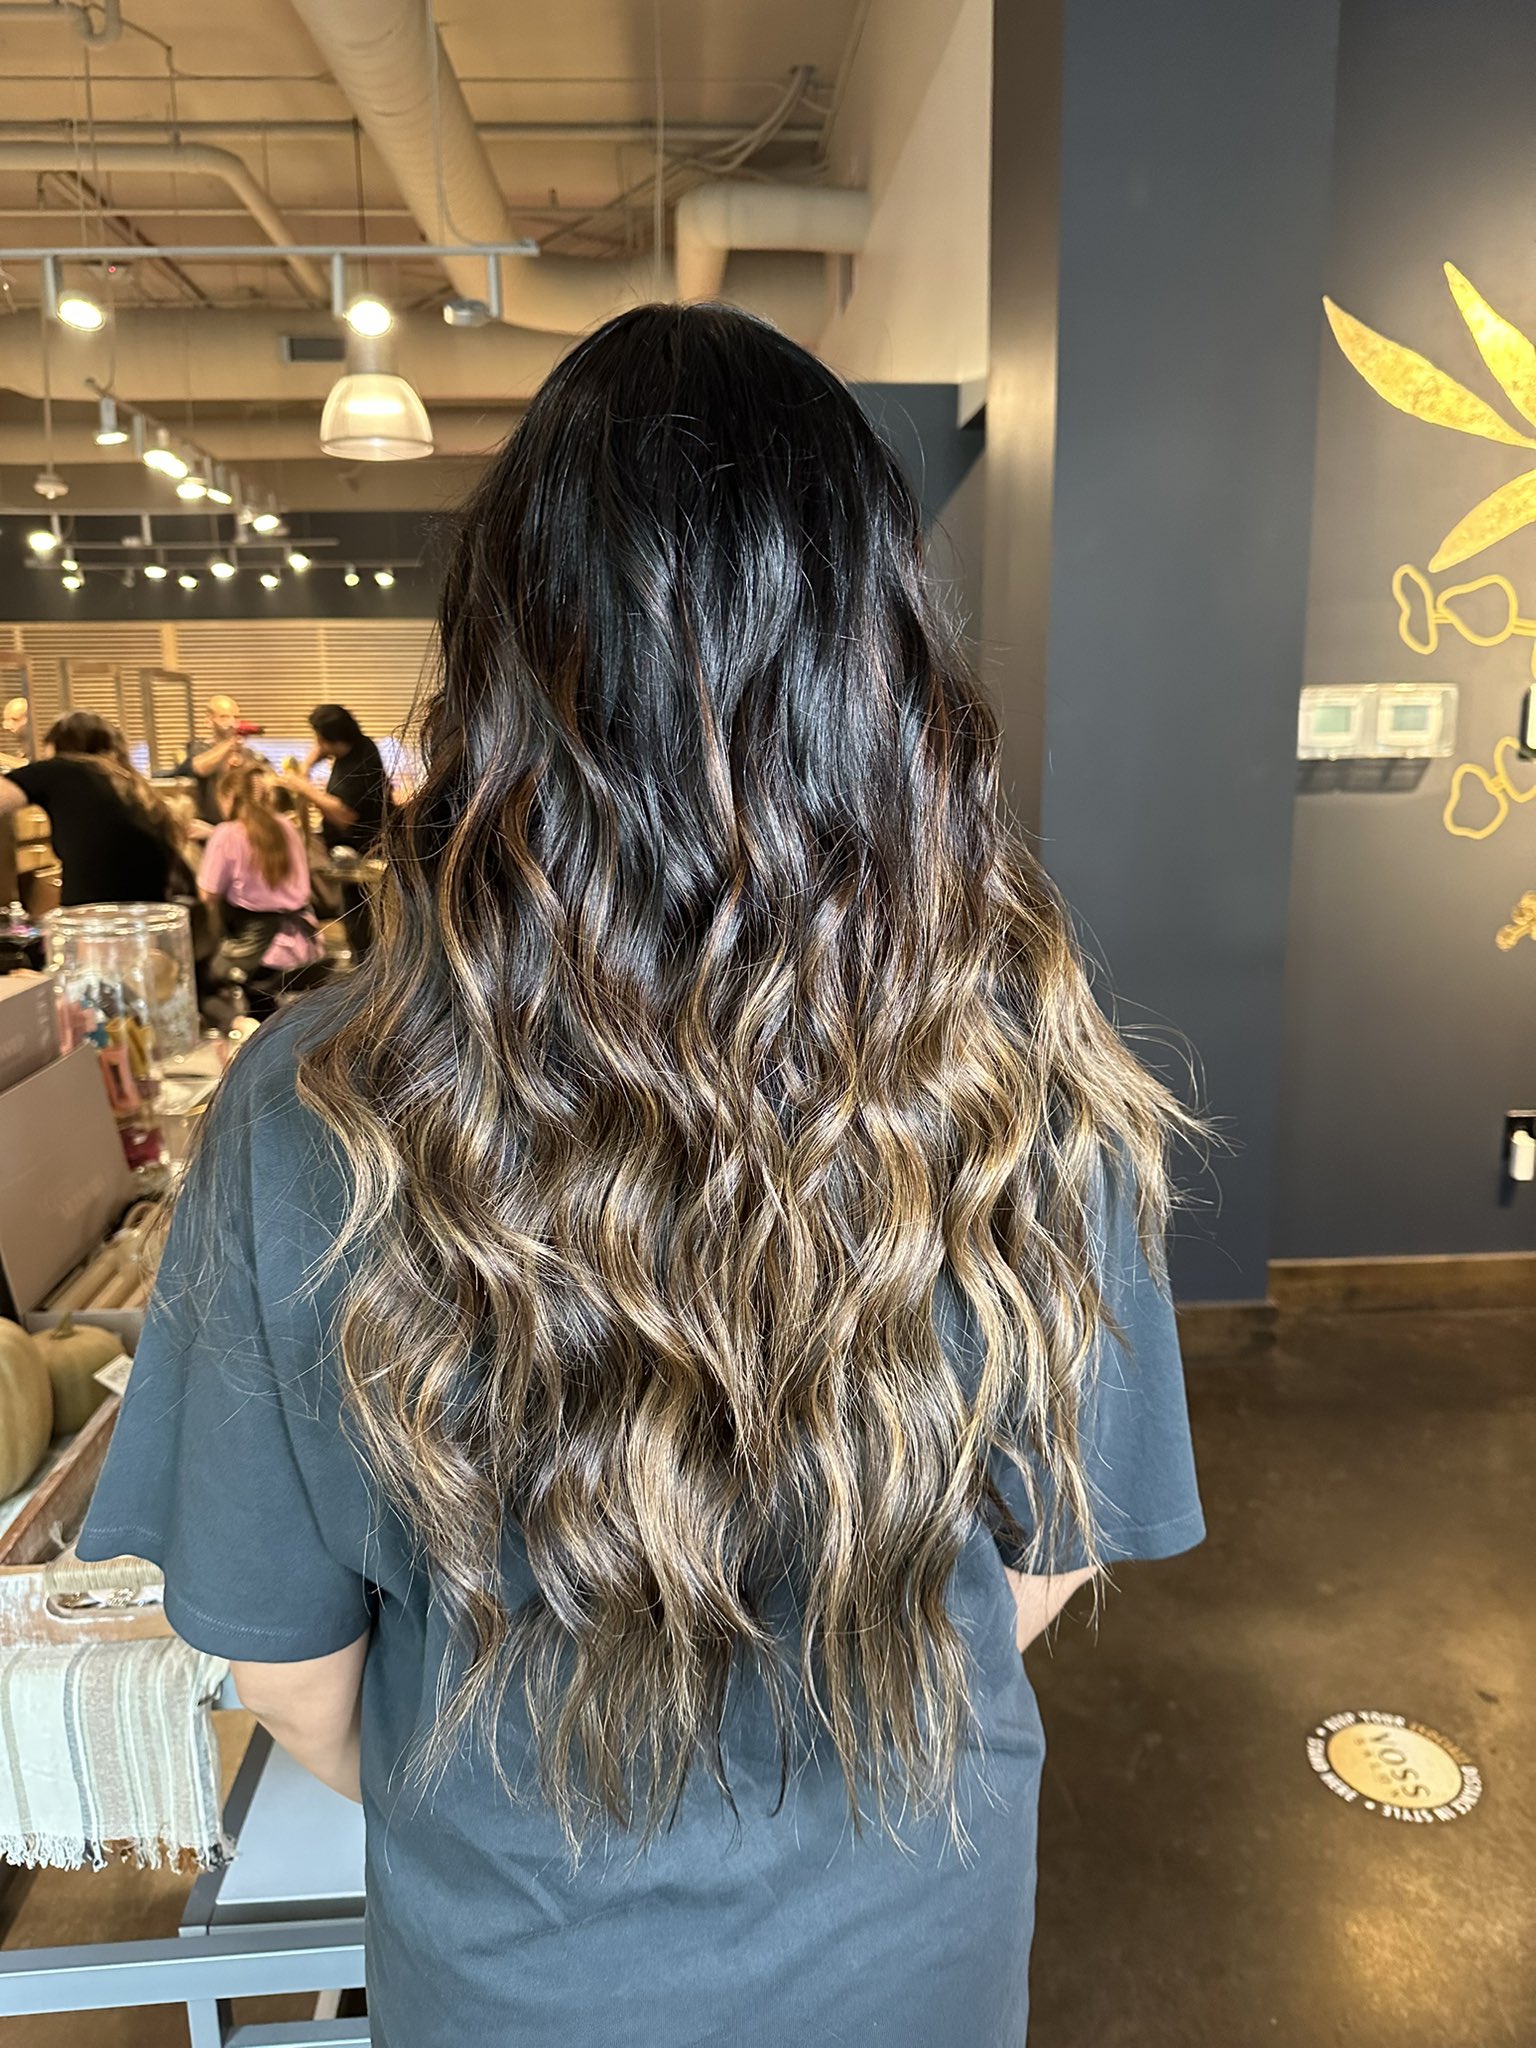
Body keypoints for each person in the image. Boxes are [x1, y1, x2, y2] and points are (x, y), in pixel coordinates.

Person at [78, 305, 1204, 2048]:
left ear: (509, 660)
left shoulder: (316, 1110)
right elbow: (1040, 1574)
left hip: (521, 1965)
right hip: (915, 1939)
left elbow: (292, 1673)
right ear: (881, 658)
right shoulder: (1027, 1075)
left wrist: (532, 1817)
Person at [0, 710, 184, 906]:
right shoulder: (133, 786)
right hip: (148, 919)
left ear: (56, 745)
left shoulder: (61, 768)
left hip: (94, 924)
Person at [200, 759, 324, 1020]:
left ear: (228, 796)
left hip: (258, 951)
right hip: (303, 941)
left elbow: (207, 894)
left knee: (205, 984)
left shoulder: (226, 834)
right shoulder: (287, 827)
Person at [278, 704, 390, 956]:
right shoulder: (360, 744)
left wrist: (302, 787)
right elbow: (321, 748)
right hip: (350, 846)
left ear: (335, 739)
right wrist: (305, 767)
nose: (316, 743)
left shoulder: (358, 766)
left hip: (361, 848)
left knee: (357, 911)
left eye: (319, 737)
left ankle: (362, 962)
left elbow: (344, 815)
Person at [176, 694, 255, 833]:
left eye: (235, 717)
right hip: (209, 828)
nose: (232, 722)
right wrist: (230, 744)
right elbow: (199, 767)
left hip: (242, 829)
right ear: (209, 721)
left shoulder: (247, 753)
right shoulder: (199, 748)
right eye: (224, 717)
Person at [0, 695, 29, 766]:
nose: (6, 726)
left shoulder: (40, 745)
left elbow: (30, 766)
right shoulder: (22, 748)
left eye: (14, 719)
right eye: (6, 720)